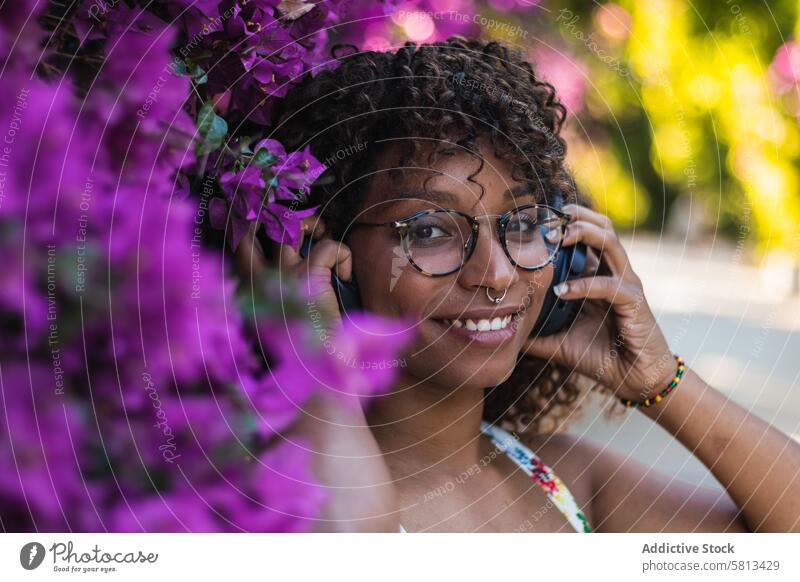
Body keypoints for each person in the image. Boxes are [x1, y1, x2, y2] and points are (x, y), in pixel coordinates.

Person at [237, 37, 800, 532]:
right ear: (320, 257)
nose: (498, 274)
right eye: (431, 230)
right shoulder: (281, 503)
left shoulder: (566, 481)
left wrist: (658, 380)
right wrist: (316, 367)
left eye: (525, 224)